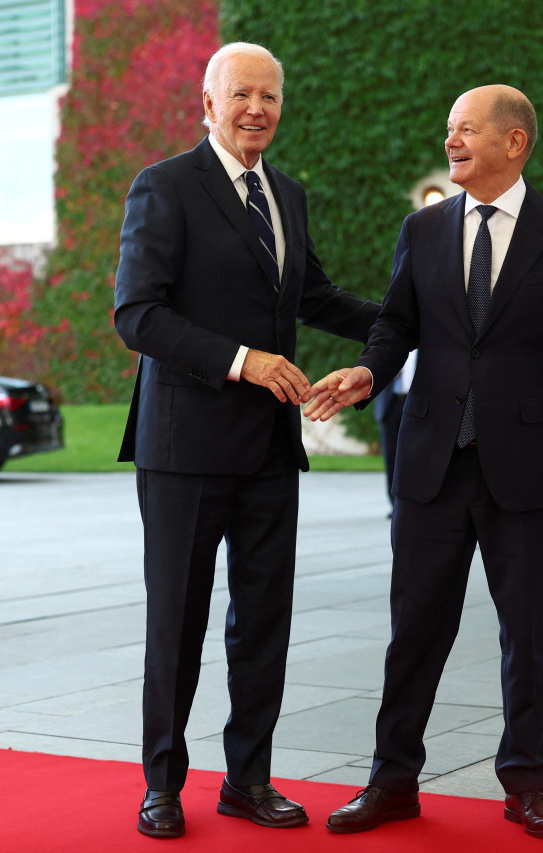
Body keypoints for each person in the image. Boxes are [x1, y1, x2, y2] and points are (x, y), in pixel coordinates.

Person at [303, 84, 543, 841]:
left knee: (525, 635)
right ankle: (392, 779)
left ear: (515, 142)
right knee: (413, 628)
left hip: (528, 467)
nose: (452, 141)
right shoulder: (424, 228)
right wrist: (366, 373)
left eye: (467, 129)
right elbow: (395, 327)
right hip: (432, 465)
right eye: (449, 130)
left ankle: (525, 784)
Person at [112, 42, 379, 839]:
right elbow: (138, 315)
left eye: (269, 96)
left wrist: (414, 316)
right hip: (183, 448)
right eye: (242, 95)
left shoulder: (286, 194)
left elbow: (316, 295)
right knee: (179, 621)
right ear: (208, 102)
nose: (257, 109)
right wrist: (243, 361)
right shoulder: (164, 186)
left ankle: (249, 780)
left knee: (264, 621)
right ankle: (162, 783)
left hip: (268, 451)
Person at [373, 349, 416, 515]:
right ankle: (396, 505)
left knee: (417, 455)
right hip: (390, 405)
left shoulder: (429, 342)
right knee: (391, 457)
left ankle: (416, 503)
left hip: (417, 404)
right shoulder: (389, 337)